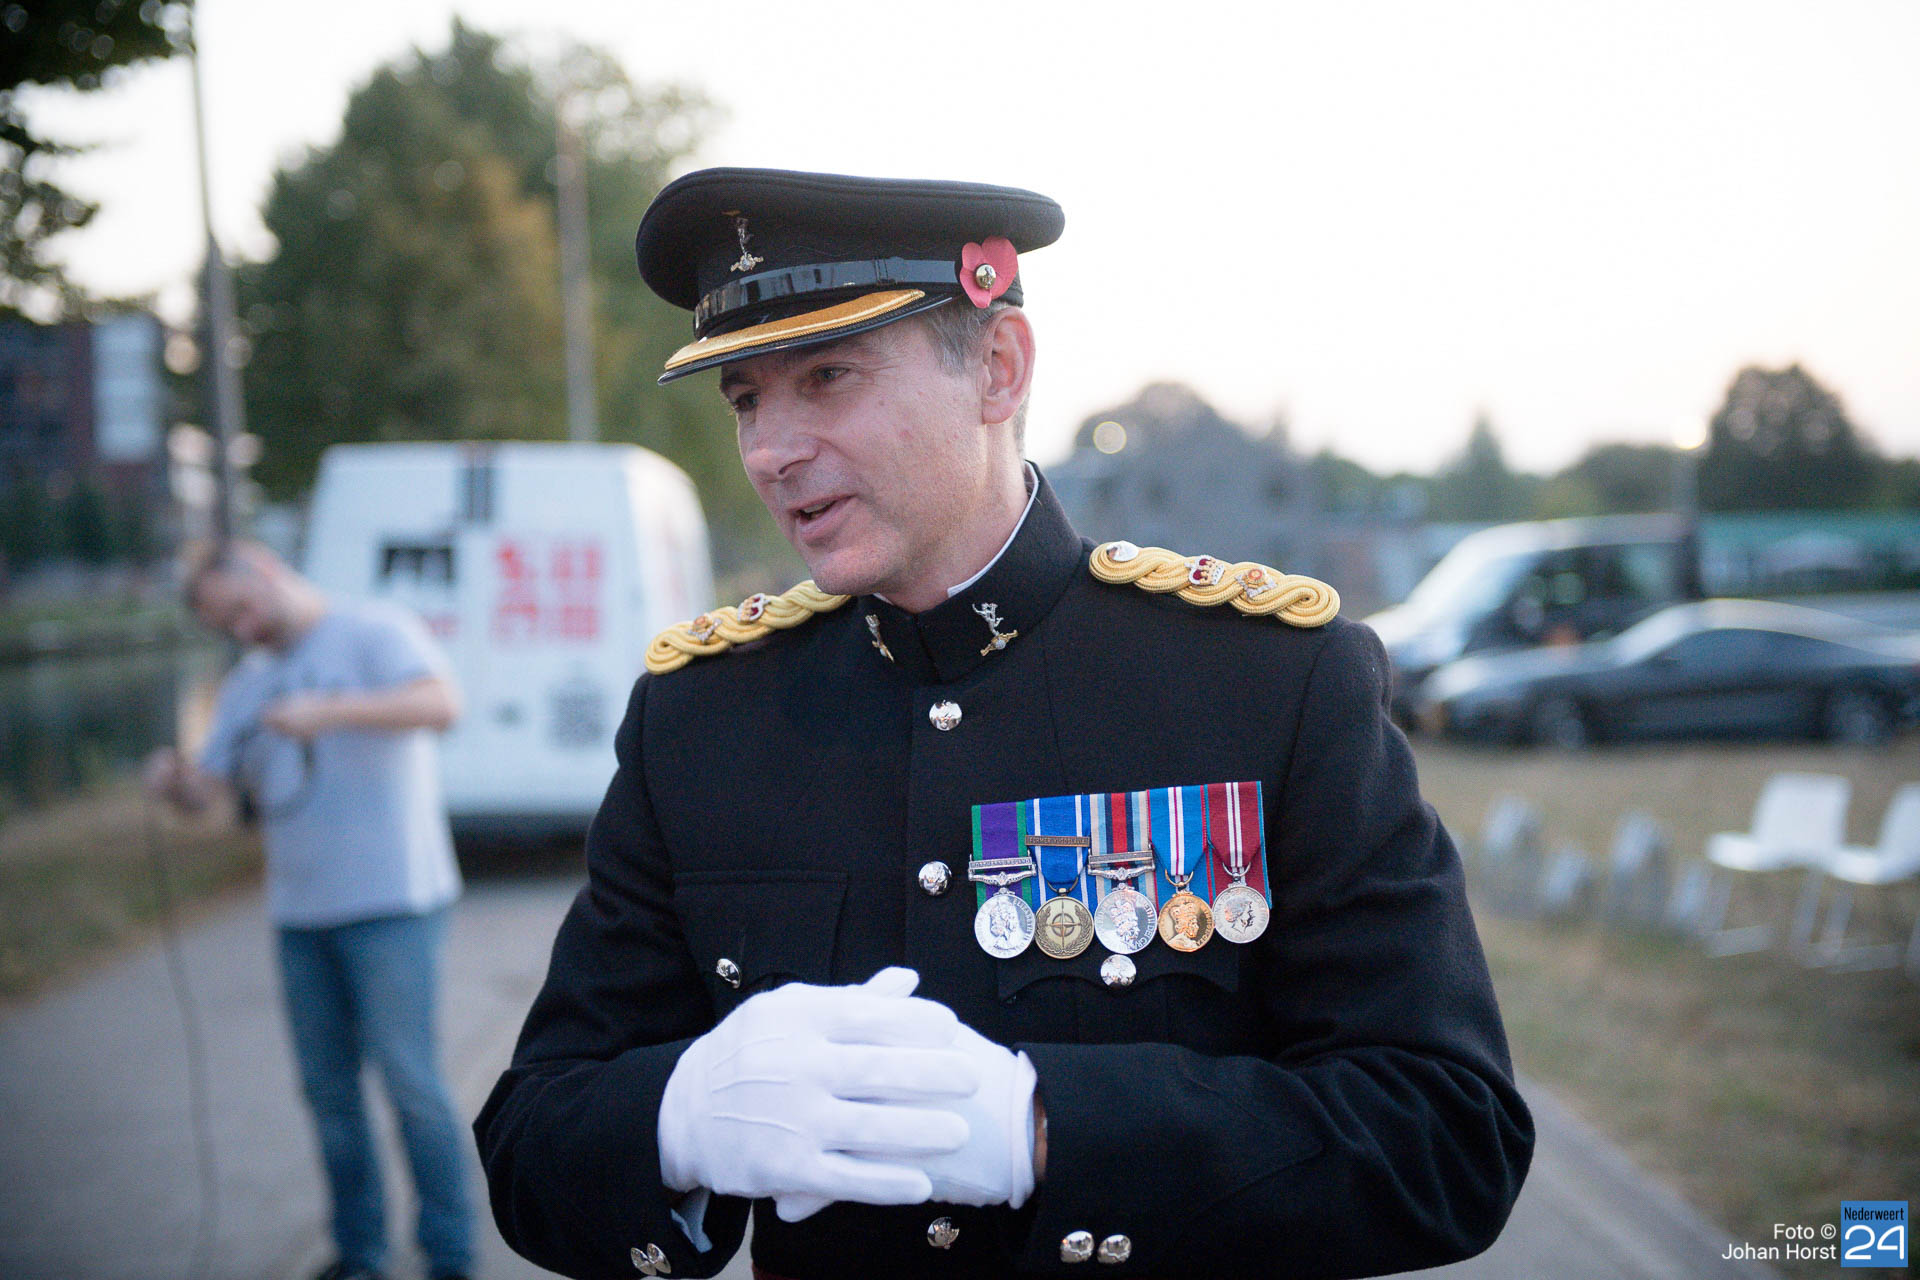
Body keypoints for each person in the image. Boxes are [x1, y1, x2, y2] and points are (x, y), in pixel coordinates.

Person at [475, 169, 1534, 1280]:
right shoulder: (701, 721)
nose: (770, 450)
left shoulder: (1267, 682)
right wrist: (675, 1119)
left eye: (827, 377)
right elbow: (530, 1137)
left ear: (998, 368)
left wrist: (1050, 1130)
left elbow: (1447, 1131)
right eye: (746, 399)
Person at [145, 542, 475, 1280]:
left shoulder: (373, 629)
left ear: (262, 567)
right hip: (299, 915)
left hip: (395, 902)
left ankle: (450, 1255)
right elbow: (211, 794)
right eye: (226, 626)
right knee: (329, 1097)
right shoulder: (247, 683)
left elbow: (442, 704)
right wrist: (176, 785)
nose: (244, 630)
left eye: (242, 609)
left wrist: (326, 713)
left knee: (412, 1087)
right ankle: (359, 1255)